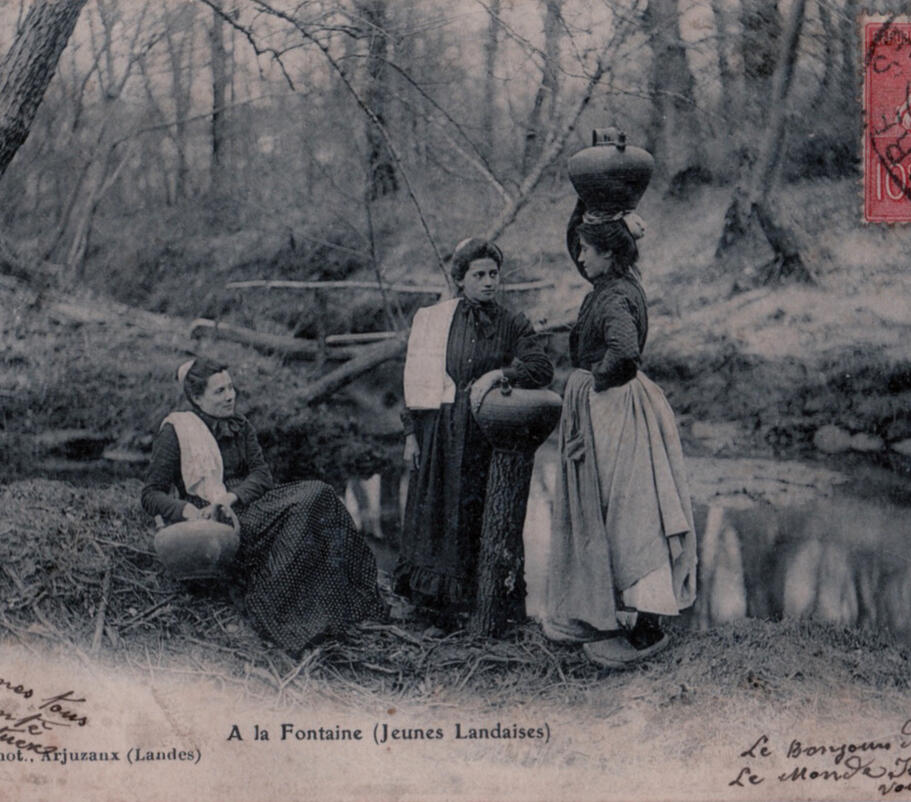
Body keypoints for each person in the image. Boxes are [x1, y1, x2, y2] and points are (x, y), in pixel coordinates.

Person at [542, 200, 697, 669]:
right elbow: (580, 245)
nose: (580, 258)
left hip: (616, 408)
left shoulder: (612, 296)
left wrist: (595, 380)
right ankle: (606, 613)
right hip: (616, 405)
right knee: (617, 510)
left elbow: (625, 352)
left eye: (587, 250)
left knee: (633, 514)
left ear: (608, 255)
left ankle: (648, 628)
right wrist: (582, 202)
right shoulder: (618, 281)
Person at [141, 357, 383, 653]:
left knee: (319, 495)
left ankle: (334, 604)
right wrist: (186, 511)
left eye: (231, 387)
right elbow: (151, 494)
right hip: (211, 519)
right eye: (219, 391)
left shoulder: (239, 425)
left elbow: (261, 474)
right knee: (307, 504)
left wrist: (232, 496)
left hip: (242, 503)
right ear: (196, 397)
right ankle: (275, 610)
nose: (230, 396)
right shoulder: (177, 431)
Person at [397, 237, 554, 627]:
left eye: (493, 274)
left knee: (473, 515)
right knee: (434, 511)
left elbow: (540, 368)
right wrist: (410, 435)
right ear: (461, 280)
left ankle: (479, 604)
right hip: (438, 432)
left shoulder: (511, 323)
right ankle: (431, 608)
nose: (488, 282)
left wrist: (501, 373)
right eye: (478, 275)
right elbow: (416, 377)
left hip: (482, 434)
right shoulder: (436, 320)